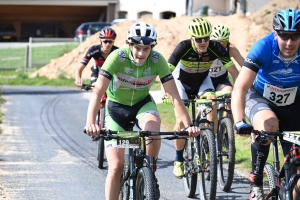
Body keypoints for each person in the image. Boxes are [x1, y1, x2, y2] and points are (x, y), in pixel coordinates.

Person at [84, 22, 200, 200]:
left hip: (142, 105)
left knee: (153, 131)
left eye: (146, 48)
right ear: (129, 45)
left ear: (152, 48)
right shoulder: (117, 57)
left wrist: (189, 125)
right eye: (137, 48)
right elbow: (98, 91)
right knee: (116, 167)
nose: (141, 53)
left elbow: (175, 96)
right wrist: (91, 122)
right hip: (116, 109)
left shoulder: (157, 60)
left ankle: (149, 173)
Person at [232, 8, 300, 200]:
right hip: (260, 98)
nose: (289, 42)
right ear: (275, 33)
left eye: (294, 36)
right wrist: (239, 121)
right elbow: (240, 88)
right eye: (284, 36)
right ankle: (256, 182)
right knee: (269, 126)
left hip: (294, 102)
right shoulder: (263, 47)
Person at [167, 17, 236, 179]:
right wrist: (167, 92)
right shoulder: (183, 47)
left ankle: (207, 145)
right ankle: (178, 160)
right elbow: (166, 73)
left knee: (211, 102)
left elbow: (234, 71)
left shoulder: (215, 47)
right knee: (181, 122)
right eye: (199, 39)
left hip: (202, 82)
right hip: (181, 83)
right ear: (192, 38)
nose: (203, 42)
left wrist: (239, 90)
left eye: (206, 38)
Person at [209, 24, 242, 93]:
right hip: (206, 80)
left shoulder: (231, 49)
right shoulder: (205, 49)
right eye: (216, 43)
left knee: (228, 93)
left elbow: (244, 66)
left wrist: (238, 92)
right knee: (210, 101)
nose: (220, 46)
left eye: (223, 42)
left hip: (222, 80)